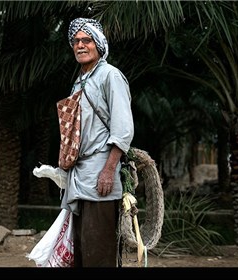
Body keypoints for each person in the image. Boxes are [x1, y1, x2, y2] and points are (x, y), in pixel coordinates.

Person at [60, 17, 134, 267]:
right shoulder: (80, 81)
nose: (80, 45)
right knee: (81, 252)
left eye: (87, 40)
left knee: (98, 253)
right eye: (76, 41)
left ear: (98, 44)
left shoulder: (110, 76)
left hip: (101, 176)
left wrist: (109, 170)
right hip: (79, 177)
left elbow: (123, 130)